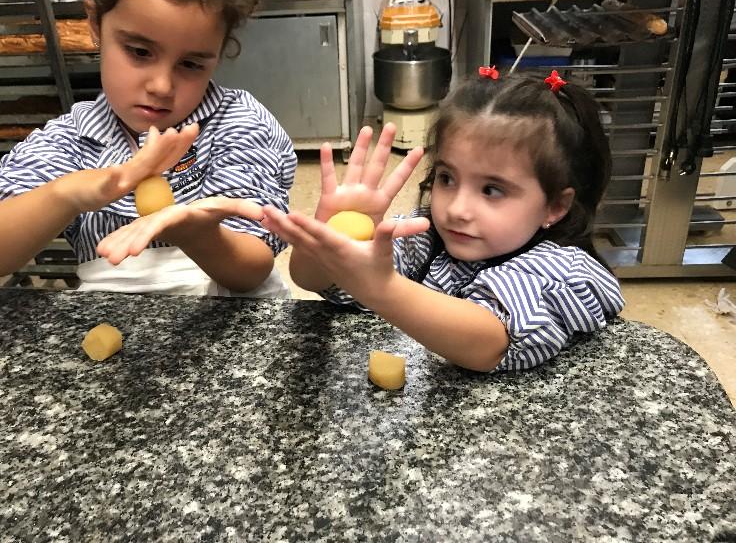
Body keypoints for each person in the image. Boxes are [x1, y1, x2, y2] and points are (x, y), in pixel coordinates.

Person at [0, 0, 296, 297]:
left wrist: (195, 233)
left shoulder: (239, 124)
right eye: (140, 52)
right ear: (95, 23)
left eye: (191, 64)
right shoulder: (74, 141)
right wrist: (67, 193)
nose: (161, 86)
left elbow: (251, 271)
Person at [262, 69, 624, 371]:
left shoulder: (564, 270)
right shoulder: (426, 236)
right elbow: (318, 282)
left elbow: (489, 342)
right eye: (447, 178)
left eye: (492, 190)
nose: (457, 209)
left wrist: (383, 289)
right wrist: (328, 237)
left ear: (554, 207)